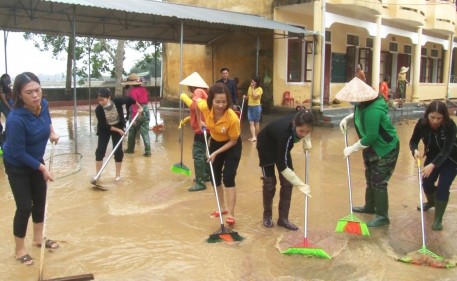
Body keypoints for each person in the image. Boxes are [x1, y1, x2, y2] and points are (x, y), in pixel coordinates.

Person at [2, 72, 60, 266]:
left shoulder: (43, 105)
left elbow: (47, 118)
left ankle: (38, 239)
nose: (36, 95)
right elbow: (18, 152)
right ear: (19, 94)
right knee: (24, 205)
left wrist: (52, 132)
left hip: (36, 159)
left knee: (41, 200)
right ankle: (19, 249)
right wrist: (42, 168)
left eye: (38, 90)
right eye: (29, 92)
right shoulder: (15, 119)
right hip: (17, 164)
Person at [339, 77, 399, 227]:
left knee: (379, 182)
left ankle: (382, 216)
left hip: (385, 148)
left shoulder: (373, 109)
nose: (353, 101)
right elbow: (360, 114)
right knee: (370, 178)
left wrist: (352, 148)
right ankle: (370, 206)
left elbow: (371, 137)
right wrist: (348, 118)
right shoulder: (363, 104)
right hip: (372, 149)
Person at [180, 82, 242, 225]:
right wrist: (200, 121)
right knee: (215, 177)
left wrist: (215, 153)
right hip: (215, 142)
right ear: (211, 101)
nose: (221, 105)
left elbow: (233, 141)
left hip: (232, 145)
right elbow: (196, 104)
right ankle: (222, 208)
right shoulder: (205, 107)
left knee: (228, 177)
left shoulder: (232, 118)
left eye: (224, 102)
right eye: (217, 102)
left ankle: (231, 214)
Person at [256, 109, 313, 230]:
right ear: (295, 125)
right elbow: (282, 165)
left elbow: (306, 130)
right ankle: (267, 216)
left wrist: (307, 141)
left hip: (282, 147)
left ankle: (283, 219)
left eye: (307, 131)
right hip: (266, 146)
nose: (303, 134)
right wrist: (300, 184)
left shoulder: (303, 117)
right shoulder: (286, 134)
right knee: (269, 183)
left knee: (287, 183)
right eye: (301, 131)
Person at [409, 100, 457, 231]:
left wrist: (433, 165)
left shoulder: (450, 126)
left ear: (444, 117)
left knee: (443, 186)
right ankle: (431, 202)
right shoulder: (421, 124)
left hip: (451, 159)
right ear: (427, 115)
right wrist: (415, 150)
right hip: (432, 156)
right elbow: (413, 141)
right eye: (432, 117)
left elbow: (446, 150)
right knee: (426, 183)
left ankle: (438, 219)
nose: (435, 121)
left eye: (439, 118)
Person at [95, 87, 142, 182]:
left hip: (118, 125)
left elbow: (130, 99)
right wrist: (119, 130)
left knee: (118, 151)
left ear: (108, 97)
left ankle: (117, 176)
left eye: (102, 100)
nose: (100, 102)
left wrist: (139, 107)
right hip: (105, 129)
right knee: (100, 151)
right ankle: (97, 175)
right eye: (98, 100)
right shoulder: (99, 110)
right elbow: (104, 125)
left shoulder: (117, 101)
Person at [179, 72, 211, 192]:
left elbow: (195, 106)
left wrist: (184, 98)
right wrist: (188, 119)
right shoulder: (204, 92)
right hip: (205, 128)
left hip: (201, 129)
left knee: (197, 154)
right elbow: (200, 109)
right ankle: (206, 175)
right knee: (203, 153)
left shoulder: (198, 91)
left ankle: (200, 182)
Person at [121, 73, 151, 157]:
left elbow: (135, 105)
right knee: (145, 131)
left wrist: (134, 118)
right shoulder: (144, 89)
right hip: (145, 110)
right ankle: (148, 151)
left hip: (137, 110)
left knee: (132, 131)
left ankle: (130, 149)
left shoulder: (133, 92)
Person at [244, 76, 263, 142]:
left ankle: (257, 137)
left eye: (253, 82)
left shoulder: (260, 89)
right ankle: (253, 137)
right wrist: (245, 97)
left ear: (256, 83)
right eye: (251, 82)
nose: (252, 83)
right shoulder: (249, 88)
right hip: (250, 106)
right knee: (251, 122)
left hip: (256, 107)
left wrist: (252, 89)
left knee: (256, 122)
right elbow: (248, 97)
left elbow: (255, 97)